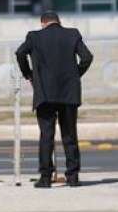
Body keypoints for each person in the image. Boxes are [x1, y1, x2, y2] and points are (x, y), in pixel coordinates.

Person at [15, 11, 94, 187]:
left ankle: (45, 177)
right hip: (68, 93)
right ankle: (72, 177)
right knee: (69, 135)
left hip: (44, 92)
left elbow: (20, 53)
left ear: (42, 23)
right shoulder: (72, 34)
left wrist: (28, 75)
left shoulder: (34, 36)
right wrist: (76, 75)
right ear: (59, 21)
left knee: (46, 135)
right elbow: (87, 57)